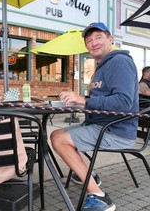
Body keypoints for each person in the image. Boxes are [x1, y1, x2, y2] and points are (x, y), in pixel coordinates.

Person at [50, 22, 138, 211]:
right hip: (104, 125)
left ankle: (99, 197)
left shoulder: (119, 62)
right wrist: (80, 102)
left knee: (59, 139)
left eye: (98, 37)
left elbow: (123, 102)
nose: (93, 43)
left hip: (116, 131)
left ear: (110, 39)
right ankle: (90, 176)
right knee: (58, 134)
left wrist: (84, 100)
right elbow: (103, 99)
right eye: (89, 40)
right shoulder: (102, 66)